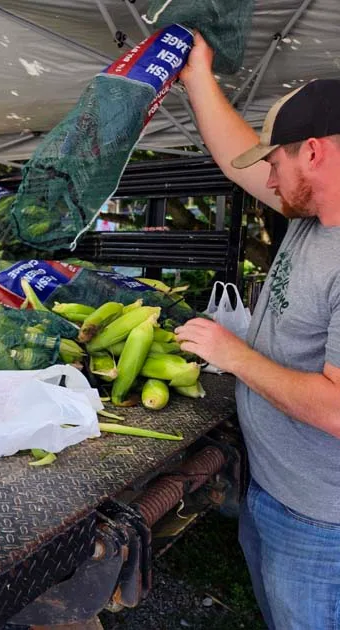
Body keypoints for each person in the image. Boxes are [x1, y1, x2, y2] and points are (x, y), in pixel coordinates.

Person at [174, 32, 340, 630]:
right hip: (277, 493)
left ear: (313, 152)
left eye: (276, 162)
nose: (267, 180)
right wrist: (198, 74)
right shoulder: (313, 216)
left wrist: (233, 355)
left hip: (323, 525)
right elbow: (234, 153)